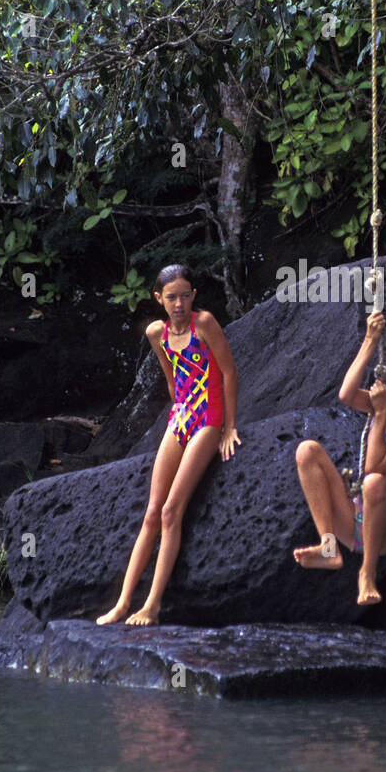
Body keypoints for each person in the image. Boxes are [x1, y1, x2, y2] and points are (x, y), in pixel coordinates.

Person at [97, 263, 240, 626]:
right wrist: (178, 414)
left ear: (194, 295)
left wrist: (228, 427)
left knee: (171, 511)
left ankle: (153, 604)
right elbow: (171, 378)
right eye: (171, 297)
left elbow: (228, 372)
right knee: (151, 513)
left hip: (208, 417)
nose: (179, 303)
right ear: (158, 298)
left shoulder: (204, 323)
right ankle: (122, 603)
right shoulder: (155, 332)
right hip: (181, 416)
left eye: (185, 295)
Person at [293, 310, 386, 605]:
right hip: (356, 516)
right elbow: (346, 394)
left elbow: (375, 467)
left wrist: (382, 412)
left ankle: (367, 575)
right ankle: (329, 546)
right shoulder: (379, 404)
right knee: (306, 450)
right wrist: (371, 339)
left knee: (373, 481)